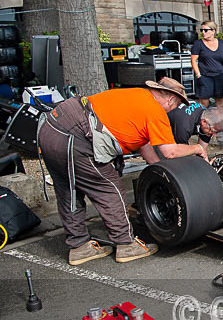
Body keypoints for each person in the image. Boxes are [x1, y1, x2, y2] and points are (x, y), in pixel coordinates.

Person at [38, 82, 208, 266]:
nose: (171, 112)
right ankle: (126, 244)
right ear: (170, 98)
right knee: (109, 190)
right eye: (174, 107)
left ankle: (79, 246)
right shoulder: (155, 111)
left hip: (50, 127)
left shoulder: (137, 95)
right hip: (74, 136)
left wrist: (161, 170)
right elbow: (170, 151)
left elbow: (144, 144)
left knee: (69, 191)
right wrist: (198, 148)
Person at [158, 77, 223, 150]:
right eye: (212, 131)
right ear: (203, 122)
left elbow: (202, 149)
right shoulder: (185, 124)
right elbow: (180, 150)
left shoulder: (207, 120)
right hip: (160, 123)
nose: (213, 135)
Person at [190, 21, 223, 110]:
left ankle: (221, 122)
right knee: (204, 102)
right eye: (201, 30)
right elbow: (193, 60)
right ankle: (201, 121)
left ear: (213, 31)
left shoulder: (221, 43)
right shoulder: (198, 43)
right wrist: (198, 75)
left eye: (205, 30)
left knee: (221, 102)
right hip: (205, 76)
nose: (203, 32)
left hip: (220, 75)